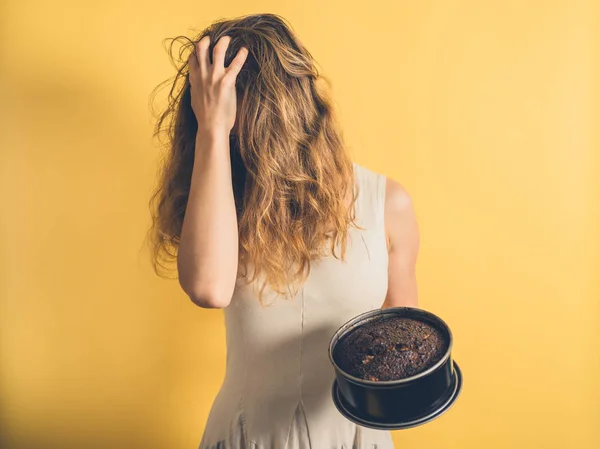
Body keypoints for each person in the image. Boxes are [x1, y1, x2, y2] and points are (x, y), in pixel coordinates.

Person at [147, 13, 420, 449]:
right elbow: (208, 288)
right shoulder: (222, 200)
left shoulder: (387, 203)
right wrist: (212, 131)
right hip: (245, 436)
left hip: (355, 438)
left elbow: (404, 343)